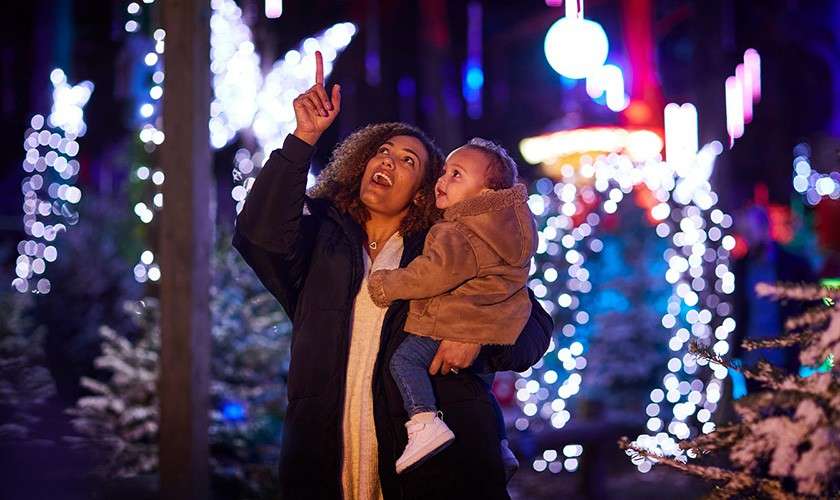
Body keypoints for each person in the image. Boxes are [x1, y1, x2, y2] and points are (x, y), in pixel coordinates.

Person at [232, 51, 553, 499]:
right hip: (326, 467)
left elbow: (534, 326)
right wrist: (303, 139)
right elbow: (257, 234)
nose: (389, 161)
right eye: (383, 151)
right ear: (360, 163)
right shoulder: (319, 243)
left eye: (409, 160)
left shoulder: (450, 247)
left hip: (436, 474)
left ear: (425, 191)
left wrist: (478, 340)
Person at [366, 138, 537, 474]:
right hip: (500, 323)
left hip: (454, 322)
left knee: (405, 359)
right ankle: (500, 443)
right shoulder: (509, 231)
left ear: (486, 195)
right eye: (444, 172)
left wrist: (386, 284)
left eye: (456, 175)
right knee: (484, 387)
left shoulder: (458, 232)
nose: (442, 182)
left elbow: (430, 275)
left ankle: (424, 422)